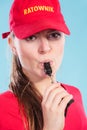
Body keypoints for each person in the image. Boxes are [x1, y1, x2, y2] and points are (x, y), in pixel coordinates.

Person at [0, 0, 87, 130]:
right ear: (13, 44)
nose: (45, 48)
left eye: (54, 35)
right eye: (31, 37)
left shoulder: (75, 95)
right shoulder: (2, 110)